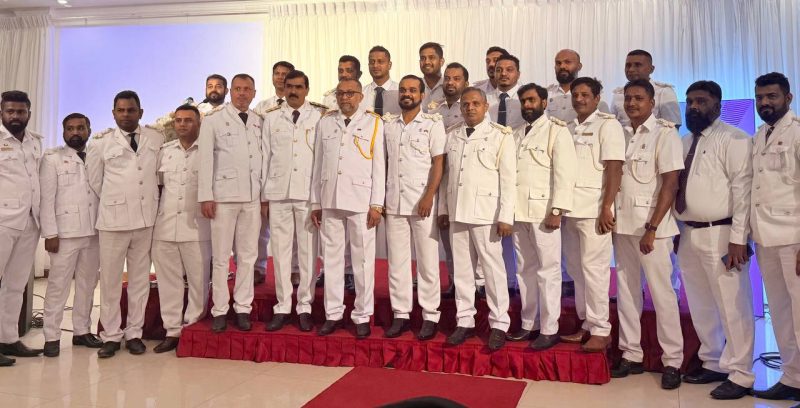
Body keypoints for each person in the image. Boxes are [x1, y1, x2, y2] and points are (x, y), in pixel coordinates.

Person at [675, 80, 754, 400]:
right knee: (701, 302)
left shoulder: (735, 139)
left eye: (702, 102)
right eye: (690, 102)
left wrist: (739, 239)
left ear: (718, 106)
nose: (694, 107)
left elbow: (743, 192)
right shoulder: (683, 142)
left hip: (722, 234)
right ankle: (712, 361)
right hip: (689, 232)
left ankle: (741, 373)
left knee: (733, 305)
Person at [610, 80, 684, 390]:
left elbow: (670, 184)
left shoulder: (664, 134)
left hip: (652, 230)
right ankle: (631, 354)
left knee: (662, 294)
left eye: (639, 98)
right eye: (628, 98)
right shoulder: (619, 133)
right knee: (627, 292)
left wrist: (652, 228)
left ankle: (672, 361)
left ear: (652, 103)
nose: (632, 103)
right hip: (623, 227)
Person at [87, 90, 165, 358]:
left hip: (145, 219)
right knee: (110, 282)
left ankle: (134, 333)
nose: (126, 115)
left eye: (131, 110)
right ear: (113, 114)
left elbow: (157, 175)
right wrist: (118, 201)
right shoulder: (100, 143)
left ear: (140, 112)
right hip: (113, 222)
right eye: (121, 110)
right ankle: (111, 335)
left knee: (139, 280)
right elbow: (95, 182)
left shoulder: (156, 138)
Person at [437, 87, 516, 351]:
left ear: (485, 106)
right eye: (465, 104)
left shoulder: (500, 136)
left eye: (475, 103)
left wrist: (505, 216)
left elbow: (508, 179)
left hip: (486, 213)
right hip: (458, 211)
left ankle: (499, 323)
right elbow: (447, 176)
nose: (470, 108)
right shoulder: (453, 134)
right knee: (461, 270)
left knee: (492, 271)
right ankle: (465, 320)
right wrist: (443, 209)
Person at [310, 78, 385, 339]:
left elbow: (379, 166)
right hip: (330, 198)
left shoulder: (374, 122)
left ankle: (362, 315)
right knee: (331, 260)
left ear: (360, 96)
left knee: (362, 261)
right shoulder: (326, 121)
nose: (345, 98)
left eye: (350, 93)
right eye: (341, 93)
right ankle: (333, 314)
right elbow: (318, 164)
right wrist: (316, 202)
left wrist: (377, 204)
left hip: (361, 200)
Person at [558, 77, 624, 353]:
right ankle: (586, 322)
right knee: (576, 269)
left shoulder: (608, 125)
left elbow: (614, 168)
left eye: (585, 95)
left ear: (597, 98)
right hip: (570, 209)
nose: (579, 99)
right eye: (576, 95)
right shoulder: (568, 127)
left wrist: (607, 207)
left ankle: (601, 329)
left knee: (595, 270)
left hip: (595, 209)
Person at [507, 83, 576, 349]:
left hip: (544, 213)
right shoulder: (515, 133)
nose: (527, 105)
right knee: (524, 269)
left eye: (532, 100)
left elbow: (565, 174)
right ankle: (529, 323)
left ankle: (549, 328)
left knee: (548, 271)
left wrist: (557, 210)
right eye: (524, 101)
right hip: (519, 212)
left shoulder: (557, 131)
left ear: (544, 103)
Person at [198, 73, 265, 333]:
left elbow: (263, 159)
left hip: (252, 196)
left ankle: (243, 308)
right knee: (221, 257)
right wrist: (206, 195)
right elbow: (205, 160)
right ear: (230, 92)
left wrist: (264, 196)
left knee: (248, 256)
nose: (242, 93)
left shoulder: (259, 121)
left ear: (254, 93)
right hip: (223, 197)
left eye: (247, 89)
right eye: (238, 88)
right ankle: (219, 310)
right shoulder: (213, 120)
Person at [261, 70, 326, 332]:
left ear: (307, 89)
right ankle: (282, 306)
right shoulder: (271, 118)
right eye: (289, 86)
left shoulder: (319, 117)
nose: (293, 91)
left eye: (299, 87)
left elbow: (321, 160)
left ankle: (305, 306)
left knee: (308, 253)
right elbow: (265, 157)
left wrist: (318, 199)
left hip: (307, 194)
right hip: (278, 193)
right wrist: (264, 197)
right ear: (284, 88)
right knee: (280, 253)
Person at [382, 75, 446, 340]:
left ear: (422, 95)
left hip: (422, 203)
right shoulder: (389, 125)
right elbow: (383, 164)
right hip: (394, 202)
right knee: (397, 263)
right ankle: (401, 314)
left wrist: (429, 195)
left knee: (428, 262)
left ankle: (430, 315)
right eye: (403, 90)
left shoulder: (433, 124)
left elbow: (438, 163)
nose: (407, 94)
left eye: (412, 90)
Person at [750, 72, 800, 403]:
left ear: (788, 98)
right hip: (766, 237)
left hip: (794, 238)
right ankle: (793, 377)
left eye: (772, 96)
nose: (765, 102)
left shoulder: (796, 133)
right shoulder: (759, 135)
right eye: (760, 97)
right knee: (780, 313)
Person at [40, 113, 102, 357]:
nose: (75, 132)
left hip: (93, 230)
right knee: (58, 286)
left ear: (89, 130)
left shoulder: (97, 155)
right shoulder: (52, 158)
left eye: (80, 128)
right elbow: (46, 198)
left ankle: (82, 331)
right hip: (64, 234)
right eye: (70, 128)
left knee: (88, 284)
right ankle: (51, 337)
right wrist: (50, 233)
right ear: (64, 132)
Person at [151, 105, 211, 353]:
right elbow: (157, 187)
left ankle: (192, 328)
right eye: (178, 120)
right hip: (165, 227)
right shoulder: (165, 152)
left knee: (198, 281)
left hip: (196, 227)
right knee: (168, 282)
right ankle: (172, 330)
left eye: (188, 120)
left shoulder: (208, 152)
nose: (182, 125)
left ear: (199, 123)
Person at [0, 90, 44, 365]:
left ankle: (8, 339)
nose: (15, 116)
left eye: (21, 111)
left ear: (28, 112)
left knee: (16, 285)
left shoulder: (35, 142)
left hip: (29, 221)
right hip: (2, 221)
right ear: (1, 113)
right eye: (10, 111)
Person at [610, 50, 681, 128]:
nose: (631, 69)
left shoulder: (664, 92)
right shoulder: (618, 94)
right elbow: (612, 125)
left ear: (651, 69)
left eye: (637, 65)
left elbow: (673, 127)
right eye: (628, 65)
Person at [545, 49, 610, 123]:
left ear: (579, 66)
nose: (562, 66)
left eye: (567, 62)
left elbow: (605, 123)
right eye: (558, 63)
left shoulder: (594, 93)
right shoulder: (546, 94)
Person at [363, 46, 400, 116]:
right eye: (372, 62)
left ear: (389, 65)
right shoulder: (361, 94)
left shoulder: (400, 92)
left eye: (380, 61)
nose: (375, 65)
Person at [419, 42, 446, 108]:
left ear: (441, 62)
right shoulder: (414, 87)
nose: (426, 62)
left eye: (431, 57)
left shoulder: (449, 87)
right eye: (423, 58)